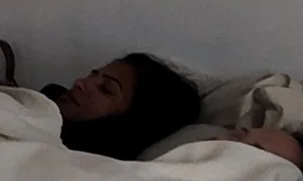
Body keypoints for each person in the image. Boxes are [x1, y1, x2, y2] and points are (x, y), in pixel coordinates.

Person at [47, 53, 203, 160]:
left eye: (106, 89)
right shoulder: (48, 99)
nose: (80, 83)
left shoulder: (80, 162)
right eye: (92, 75)